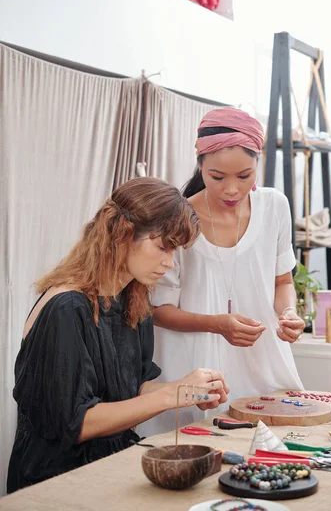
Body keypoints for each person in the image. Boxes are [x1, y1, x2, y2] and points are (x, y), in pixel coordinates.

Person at [7, 178, 229, 493]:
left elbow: (132, 387)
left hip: (110, 467)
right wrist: (171, 395)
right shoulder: (66, 308)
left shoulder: (132, 301)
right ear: (123, 234)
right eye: (162, 246)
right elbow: (77, 423)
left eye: (175, 250)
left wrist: (191, 391)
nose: (169, 262)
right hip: (54, 482)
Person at [149, 108, 304, 432]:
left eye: (245, 176)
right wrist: (217, 324)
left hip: (264, 366)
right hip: (197, 376)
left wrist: (288, 312)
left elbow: (282, 281)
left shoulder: (275, 206)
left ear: (258, 162)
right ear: (200, 161)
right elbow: (159, 311)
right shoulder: (177, 218)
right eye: (218, 177)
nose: (232, 190)